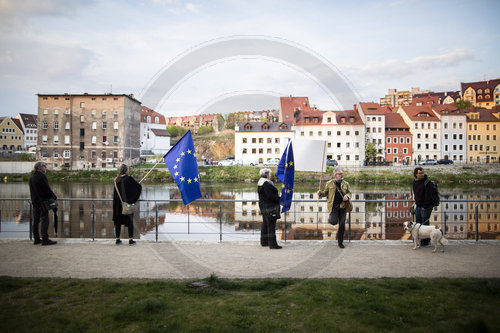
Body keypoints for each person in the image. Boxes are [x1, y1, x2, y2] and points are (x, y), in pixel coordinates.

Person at [317, 168, 351, 248]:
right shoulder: (329, 183)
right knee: (333, 221)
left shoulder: (346, 184)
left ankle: (340, 242)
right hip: (333, 207)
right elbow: (325, 193)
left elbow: (349, 193)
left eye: (342, 173)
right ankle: (331, 219)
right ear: (335, 175)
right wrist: (320, 194)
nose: (342, 175)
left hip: (343, 206)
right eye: (340, 174)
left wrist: (347, 196)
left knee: (342, 225)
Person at [29, 162, 57, 245]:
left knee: (36, 221)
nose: (45, 168)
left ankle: (36, 239)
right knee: (45, 220)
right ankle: (45, 239)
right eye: (44, 166)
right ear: (39, 168)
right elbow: (46, 189)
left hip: (35, 202)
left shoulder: (32, 177)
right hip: (43, 202)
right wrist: (54, 197)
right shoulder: (42, 176)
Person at [113, 164, 142, 245]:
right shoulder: (129, 179)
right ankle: (130, 240)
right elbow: (137, 188)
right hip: (126, 205)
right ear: (126, 170)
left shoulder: (116, 180)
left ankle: (117, 239)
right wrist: (139, 186)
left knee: (118, 222)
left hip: (118, 205)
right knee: (129, 222)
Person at [257, 168, 282, 249]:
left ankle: (264, 242)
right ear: (267, 175)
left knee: (265, 224)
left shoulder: (260, 182)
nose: (270, 175)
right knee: (271, 225)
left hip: (263, 206)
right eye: (269, 174)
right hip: (270, 207)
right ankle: (273, 244)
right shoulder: (266, 184)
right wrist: (279, 198)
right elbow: (270, 196)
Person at [412, 167, 433, 246]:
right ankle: (420, 240)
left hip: (425, 206)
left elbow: (428, 196)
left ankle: (426, 241)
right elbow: (416, 194)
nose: (422, 174)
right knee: (418, 223)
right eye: (420, 173)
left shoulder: (427, 182)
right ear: (416, 174)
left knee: (425, 224)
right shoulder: (415, 182)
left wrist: (425, 206)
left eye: (423, 173)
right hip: (418, 205)